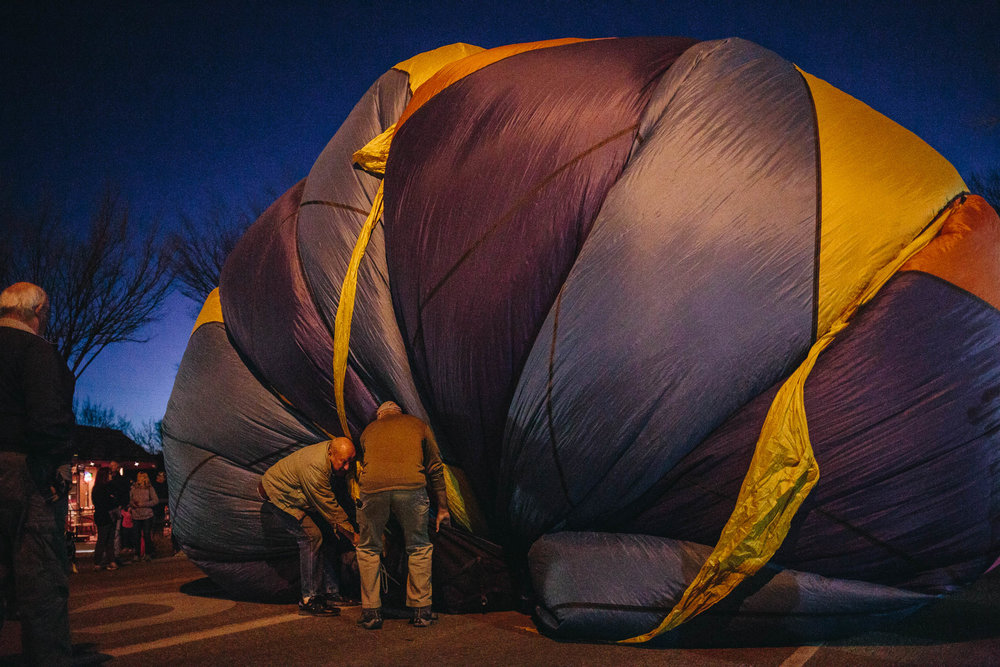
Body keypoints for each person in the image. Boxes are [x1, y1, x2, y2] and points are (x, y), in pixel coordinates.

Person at [0, 282, 77, 664]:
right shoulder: (36, 352)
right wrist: (55, 467)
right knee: (40, 581)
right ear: (38, 312)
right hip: (23, 471)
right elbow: (49, 421)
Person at [355, 401, 450, 630]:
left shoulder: (368, 431)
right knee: (418, 547)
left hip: (372, 490)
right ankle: (421, 612)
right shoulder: (418, 425)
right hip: (411, 488)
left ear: (380, 416)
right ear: (400, 413)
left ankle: (371, 613)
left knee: (368, 548)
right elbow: (435, 467)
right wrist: (443, 508)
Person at [258, 438, 360, 616]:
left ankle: (331, 592)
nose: (346, 467)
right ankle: (309, 598)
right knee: (312, 537)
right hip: (280, 495)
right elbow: (330, 508)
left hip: (300, 495)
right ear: (330, 454)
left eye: (350, 461)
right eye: (343, 462)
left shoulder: (330, 456)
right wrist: (353, 536)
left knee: (329, 536)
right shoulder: (315, 468)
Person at [90, 468, 118, 570]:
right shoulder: (104, 488)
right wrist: (112, 500)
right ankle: (103, 561)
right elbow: (109, 502)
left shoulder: (97, 489)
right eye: (109, 474)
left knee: (105, 540)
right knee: (105, 540)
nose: (111, 475)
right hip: (106, 516)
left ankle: (106, 561)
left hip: (103, 515)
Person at [129, 472, 159, 561]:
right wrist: (132, 504)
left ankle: (148, 553)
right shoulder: (133, 488)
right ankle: (137, 554)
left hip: (147, 515)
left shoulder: (150, 488)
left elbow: (155, 500)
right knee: (136, 535)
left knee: (146, 534)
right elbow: (130, 499)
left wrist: (144, 504)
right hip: (136, 515)